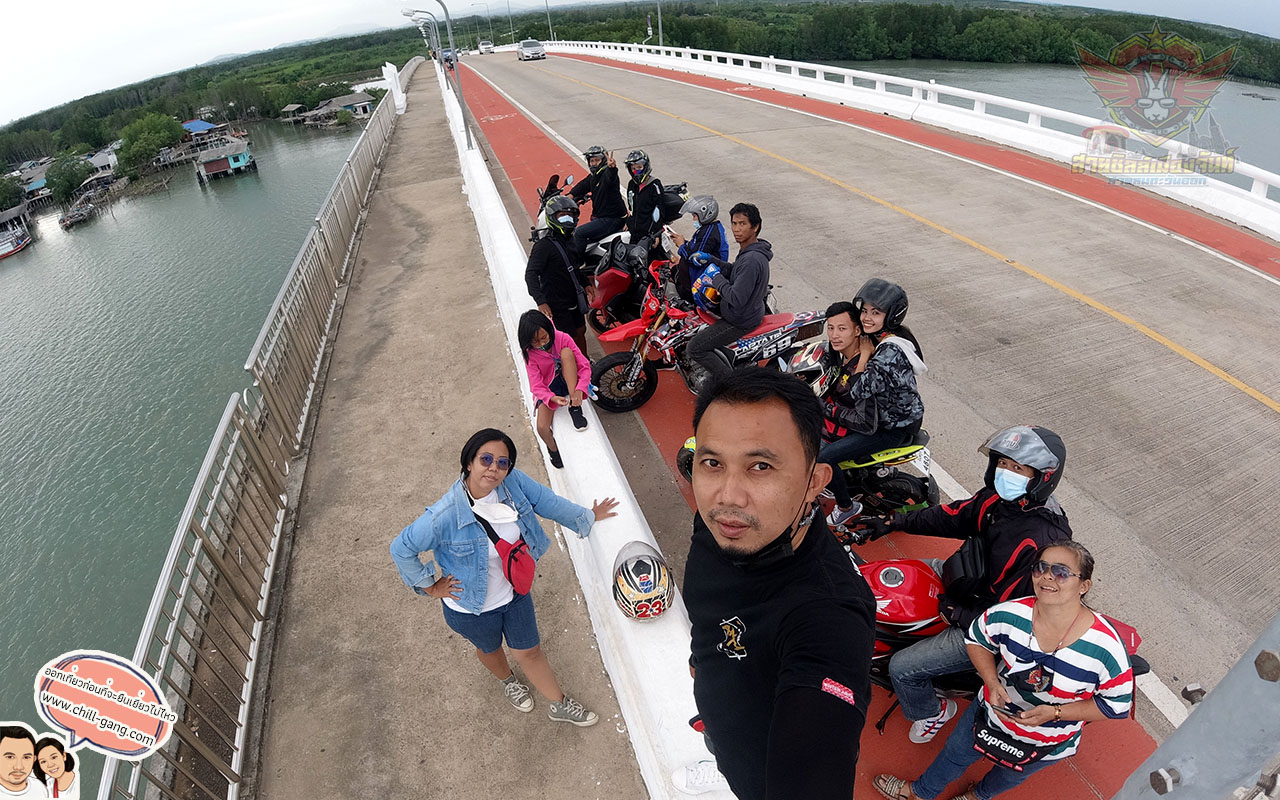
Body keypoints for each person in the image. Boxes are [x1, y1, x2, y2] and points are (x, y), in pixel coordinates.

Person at [675, 366, 876, 800]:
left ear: (814, 482)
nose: (728, 495)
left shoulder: (828, 616)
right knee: (722, 750)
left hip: (760, 777)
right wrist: (702, 660)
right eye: (712, 463)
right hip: (723, 713)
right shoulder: (722, 522)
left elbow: (813, 765)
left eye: (760, 466)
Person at [857, 425, 1072, 744]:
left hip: (985, 622)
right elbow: (951, 516)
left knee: (903, 668)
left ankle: (931, 711)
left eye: (1017, 468)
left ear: (1042, 476)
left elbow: (1020, 617)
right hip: (963, 577)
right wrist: (893, 522)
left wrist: (960, 615)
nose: (1006, 473)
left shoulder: (1043, 543)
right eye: (1003, 463)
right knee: (890, 576)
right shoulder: (999, 501)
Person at [390, 428, 620, 727]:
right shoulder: (444, 515)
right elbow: (401, 548)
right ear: (469, 462)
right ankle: (508, 680)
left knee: (530, 650)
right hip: (471, 607)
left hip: (514, 593)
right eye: (486, 459)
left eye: (502, 462)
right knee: (490, 649)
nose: (494, 468)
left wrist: (586, 517)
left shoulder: (513, 484)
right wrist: (430, 586)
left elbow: (546, 501)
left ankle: (558, 704)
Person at [873, 541, 1133, 800]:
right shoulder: (1011, 614)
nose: (1046, 576)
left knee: (1009, 775)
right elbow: (976, 639)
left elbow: (1116, 705)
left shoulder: (1106, 648)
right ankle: (921, 793)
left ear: (1084, 585)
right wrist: (991, 682)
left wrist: (1055, 713)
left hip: (1047, 743)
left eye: (1061, 572)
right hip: (988, 716)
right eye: (1040, 567)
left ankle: (977, 796)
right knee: (954, 755)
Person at [821, 280, 926, 529]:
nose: (867, 318)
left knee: (824, 457)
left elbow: (858, 390)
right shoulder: (889, 335)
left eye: (876, 313)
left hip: (890, 427)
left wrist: (865, 355)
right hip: (892, 414)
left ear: (891, 316)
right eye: (865, 310)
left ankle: (846, 507)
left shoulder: (889, 351)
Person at [685, 203, 772, 383]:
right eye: (734, 223)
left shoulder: (751, 260)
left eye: (742, 224)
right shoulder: (749, 251)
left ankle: (730, 384)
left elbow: (735, 298)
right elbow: (735, 272)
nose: (736, 229)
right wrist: (712, 260)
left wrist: (715, 278)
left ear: (755, 227)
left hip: (739, 319)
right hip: (745, 311)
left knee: (695, 348)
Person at [518, 310, 591, 469]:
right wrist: (550, 397)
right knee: (542, 428)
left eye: (544, 337)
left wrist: (579, 389)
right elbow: (536, 385)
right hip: (549, 387)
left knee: (566, 352)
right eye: (535, 341)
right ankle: (553, 450)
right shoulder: (530, 354)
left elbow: (584, 366)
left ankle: (575, 406)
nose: (542, 344)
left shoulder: (562, 338)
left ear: (549, 330)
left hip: (569, 379)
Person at [525, 194, 590, 351]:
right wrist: (541, 301)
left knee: (581, 330)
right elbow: (531, 274)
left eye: (570, 215)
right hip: (557, 302)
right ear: (552, 217)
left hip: (573, 297)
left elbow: (574, 267)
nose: (567, 219)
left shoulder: (570, 241)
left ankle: (585, 361)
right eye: (562, 215)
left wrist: (586, 283)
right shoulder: (543, 246)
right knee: (569, 337)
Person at [668, 195, 728, 303]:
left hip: (699, 284)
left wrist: (682, 246)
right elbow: (697, 247)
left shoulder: (709, 234)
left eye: (695, 216)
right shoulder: (708, 229)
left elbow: (694, 259)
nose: (693, 219)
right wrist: (683, 242)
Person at [569, 145, 627, 255]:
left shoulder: (606, 174)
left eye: (597, 160)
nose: (594, 163)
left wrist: (612, 168)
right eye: (592, 161)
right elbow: (582, 186)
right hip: (601, 217)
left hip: (612, 218)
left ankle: (575, 266)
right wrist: (569, 196)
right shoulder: (594, 176)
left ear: (603, 161)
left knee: (579, 233)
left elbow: (611, 178)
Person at [623, 149, 663, 243]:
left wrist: (656, 233)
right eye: (633, 169)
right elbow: (632, 207)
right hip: (634, 232)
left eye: (639, 167)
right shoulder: (631, 184)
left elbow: (659, 210)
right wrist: (629, 222)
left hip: (649, 234)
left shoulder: (655, 185)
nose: (636, 171)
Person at [0, 724, 46, 797]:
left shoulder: (40, 788)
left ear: (34, 759)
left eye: (26, 757)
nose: (19, 767)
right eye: (10, 757)